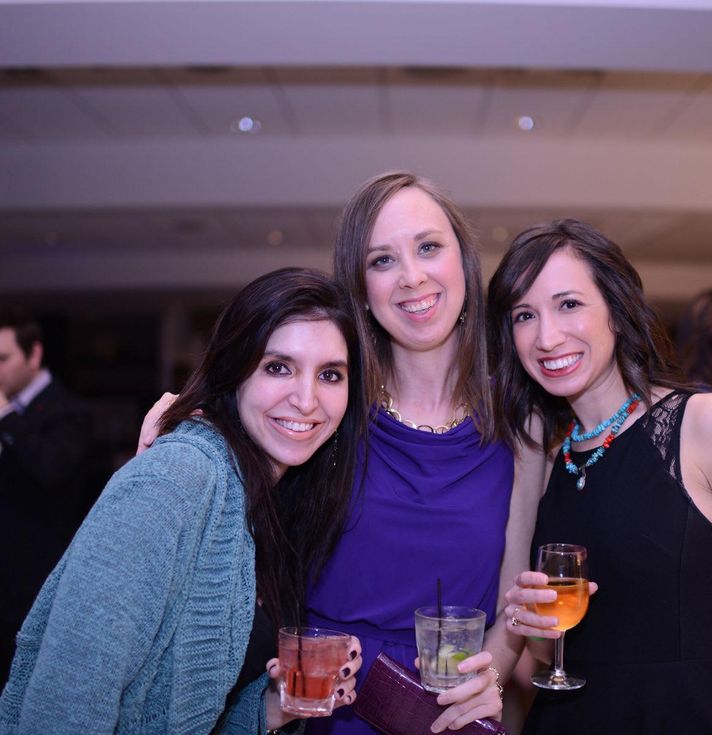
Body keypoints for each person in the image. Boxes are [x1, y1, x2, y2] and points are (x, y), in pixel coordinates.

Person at [139, 173, 544, 734]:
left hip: (447, 718)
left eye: (428, 247)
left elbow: (510, 606)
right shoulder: (326, 407)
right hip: (324, 708)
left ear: (464, 262)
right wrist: (185, 422)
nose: (412, 276)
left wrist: (487, 681)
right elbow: (235, 435)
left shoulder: (518, 420)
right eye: (382, 260)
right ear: (361, 288)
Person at [487, 221, 712, 735]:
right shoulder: (546, 456)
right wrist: (528, 628)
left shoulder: (710, 424)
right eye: (525, 315)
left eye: (569, 304)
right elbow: (547, 646)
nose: (547, 337)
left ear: (616, 310)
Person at [1, 268, 363, 733]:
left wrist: (274, 706)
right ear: (233, 371)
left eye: (330, 374)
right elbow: (66, 698)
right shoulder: (177, 477)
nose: (308, 400)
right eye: (278, 367)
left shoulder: (272, 500)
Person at [0, 310, 91, 686]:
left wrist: (5, 414)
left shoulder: (69, 410)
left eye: (3, 359)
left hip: (37, 579)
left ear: (34, 355)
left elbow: (51, 471)